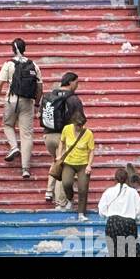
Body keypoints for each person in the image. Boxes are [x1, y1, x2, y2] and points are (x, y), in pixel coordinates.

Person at [0, 38, 42, 180]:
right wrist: (37, 104)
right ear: (24, 48)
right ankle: (25, 168)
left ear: (12, 50)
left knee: (8, 125)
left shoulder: (8, 64)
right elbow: (39, 87)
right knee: (26, 134)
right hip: (28, 102)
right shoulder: (34, 65)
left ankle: (14, 146)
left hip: (12, 100)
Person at [40, 71, 84, 208]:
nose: (77, 85)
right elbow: (80, 120)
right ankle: (61, 202)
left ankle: (49, 191)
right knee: (64, 168)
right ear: (70, 82)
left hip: (48, 136)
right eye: (76, 82)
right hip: (63, 137)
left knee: (57, 161)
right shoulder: (73, 99)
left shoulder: (49, 96)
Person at [56, 112, 95, 221]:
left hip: (83, 164)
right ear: (73, 123)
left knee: (83, 188)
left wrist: (89, 165)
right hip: (69, 162)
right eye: (78, 125)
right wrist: (59, 155)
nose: (80, 127)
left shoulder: (88, 134)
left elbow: (91, 150)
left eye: (82, 125)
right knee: (66, 183)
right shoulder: (67, 129)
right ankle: (70, 198)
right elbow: (61, 142)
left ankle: (81, 213)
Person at [98, 168, 140, 257]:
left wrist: (107, 215)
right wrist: (135, 218)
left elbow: (102, 210)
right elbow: (139, 212)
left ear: (115, 179)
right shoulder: (133, 192)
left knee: (115, 252)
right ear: (127, 179)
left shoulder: (109, 191)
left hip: (113, 223)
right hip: (128, 224)